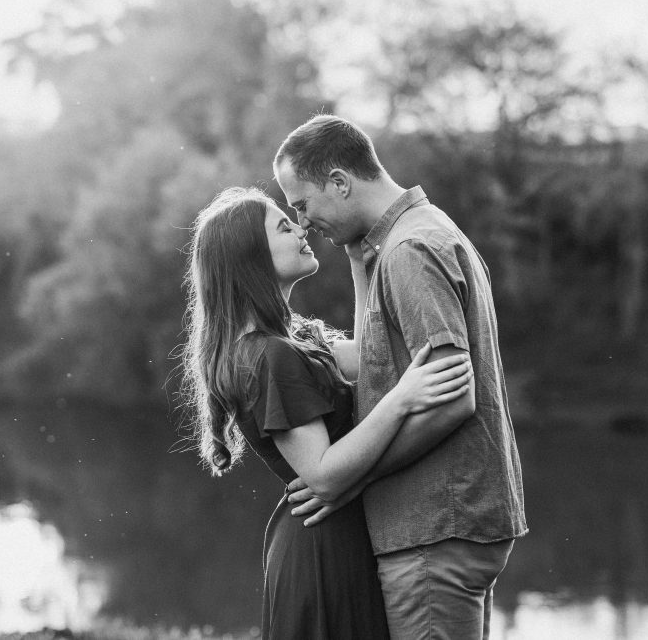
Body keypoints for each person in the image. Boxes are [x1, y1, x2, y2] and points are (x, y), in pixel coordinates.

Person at [273, 114, 528, 640]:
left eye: (301, 204)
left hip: (434, 523)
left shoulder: (409, 251)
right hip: (445, 523)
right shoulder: (414, 234)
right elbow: (377, 360)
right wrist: (356, 262)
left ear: (339, 182)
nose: (303, 222)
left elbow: (451, 398)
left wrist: (353, 479)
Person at [181, 187, 474, 639]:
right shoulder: (269, 356)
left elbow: (371, 357)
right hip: (323, 552)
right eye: (284, 226)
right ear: (251, 257)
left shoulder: (291, 339)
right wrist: (401, 400)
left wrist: (358, 263)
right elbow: (322, 474)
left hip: (339, 537)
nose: (301, 229)